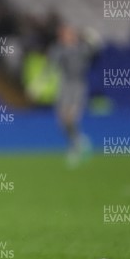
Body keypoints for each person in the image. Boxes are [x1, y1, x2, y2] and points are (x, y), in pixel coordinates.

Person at [48, 24, 99, 166]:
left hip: (78, 86)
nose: (65, 37)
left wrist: (92, 39)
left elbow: (95, 53)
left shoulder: (81, 49)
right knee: (62, 121)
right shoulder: (58, 50)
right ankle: (78, 141)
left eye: (68, 34)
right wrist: (38, 85)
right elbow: (51, 66)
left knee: (71, 117)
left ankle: (77, 146)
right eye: (63, 34)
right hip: (64, 85)